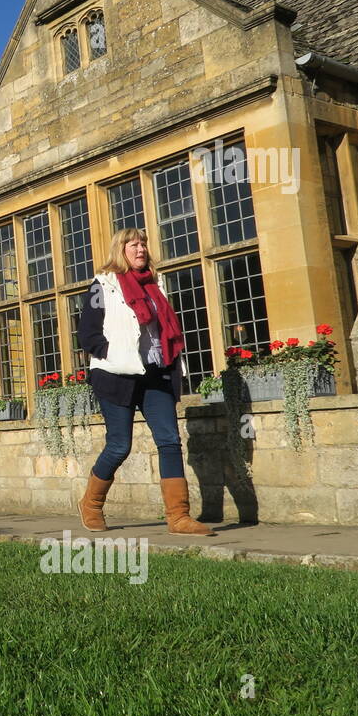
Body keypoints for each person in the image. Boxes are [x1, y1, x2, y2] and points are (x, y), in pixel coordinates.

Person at [76, 227, 210, 536]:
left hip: (156, 370)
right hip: (115, 373)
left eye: (143, 245)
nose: (140, 250)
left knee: (169, 440)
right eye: (133, 245)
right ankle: (91, 505)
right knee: (119, 445)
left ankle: (179, 517)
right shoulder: (103, 285)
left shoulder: (155, 284)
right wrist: (111, 354)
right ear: (120, 250)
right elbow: (87, 333)